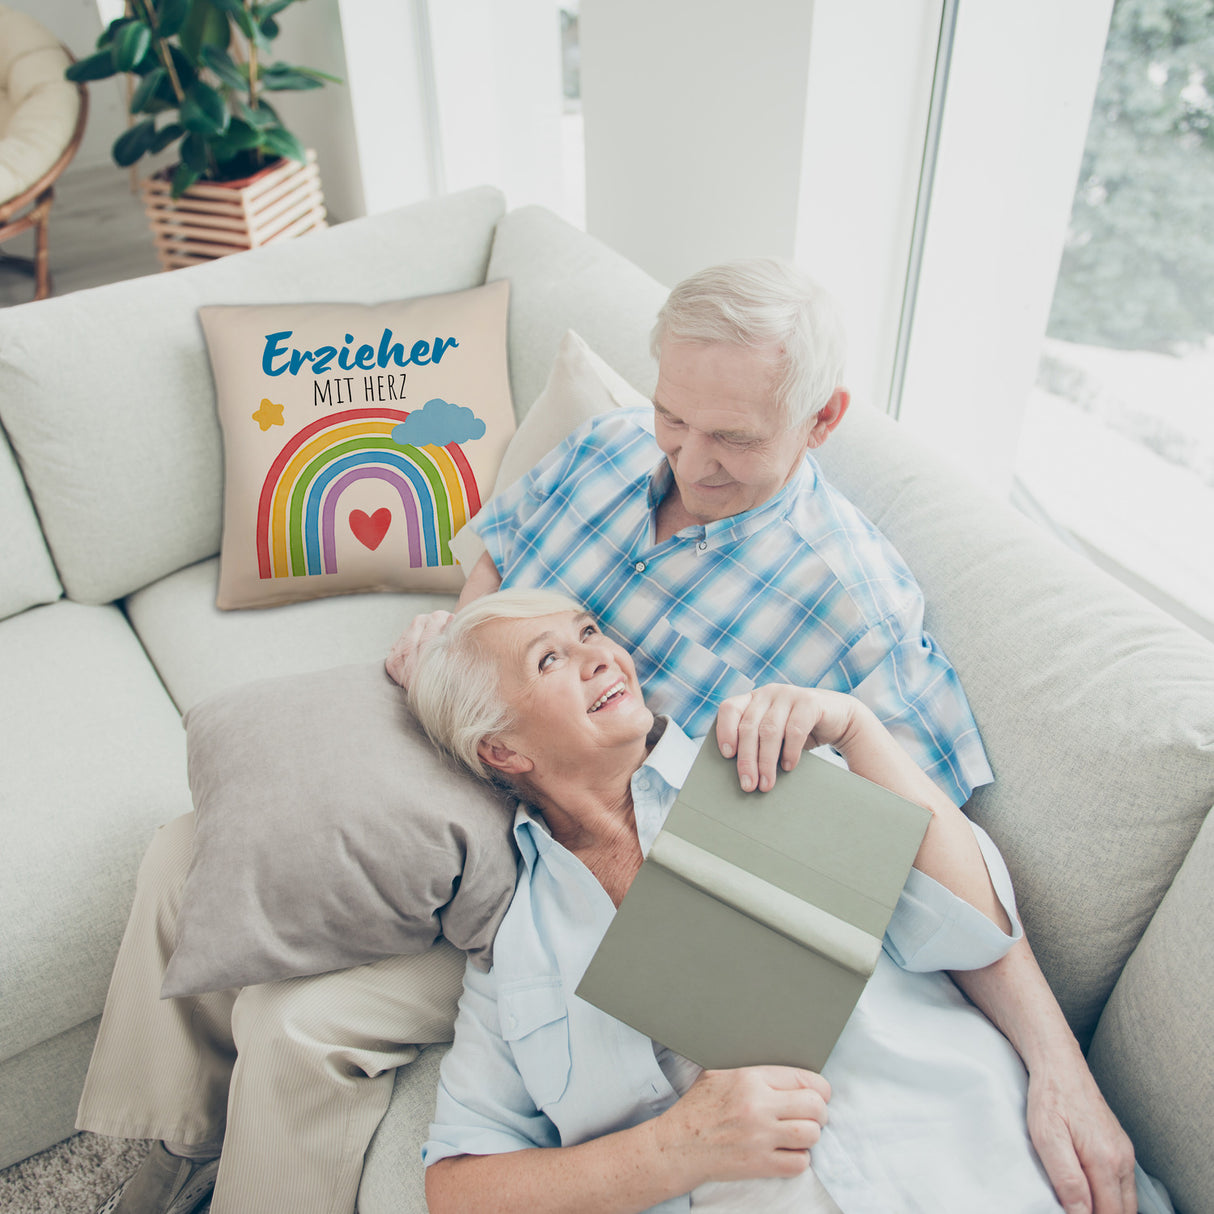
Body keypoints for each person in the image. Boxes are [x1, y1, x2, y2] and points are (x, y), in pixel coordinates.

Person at [389, 259, 1136, 1213]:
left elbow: (944, 886)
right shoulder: (607, 450)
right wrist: (462, 651)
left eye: (732, 438)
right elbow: (500, 549)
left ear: (822, 420)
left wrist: (1058, 1069)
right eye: (674, 418)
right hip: (493, 834)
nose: (689, 462)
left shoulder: (832, 659)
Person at [407, 588, 1156, 1214]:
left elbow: (972, 929)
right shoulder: (516, 951)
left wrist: (858, 730)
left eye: (589, 632)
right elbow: (458, 1187)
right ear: (502, 750)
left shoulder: (762, 761)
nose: (601, 655)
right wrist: (672, 1150)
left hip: (988, 1167)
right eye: (550, 659)